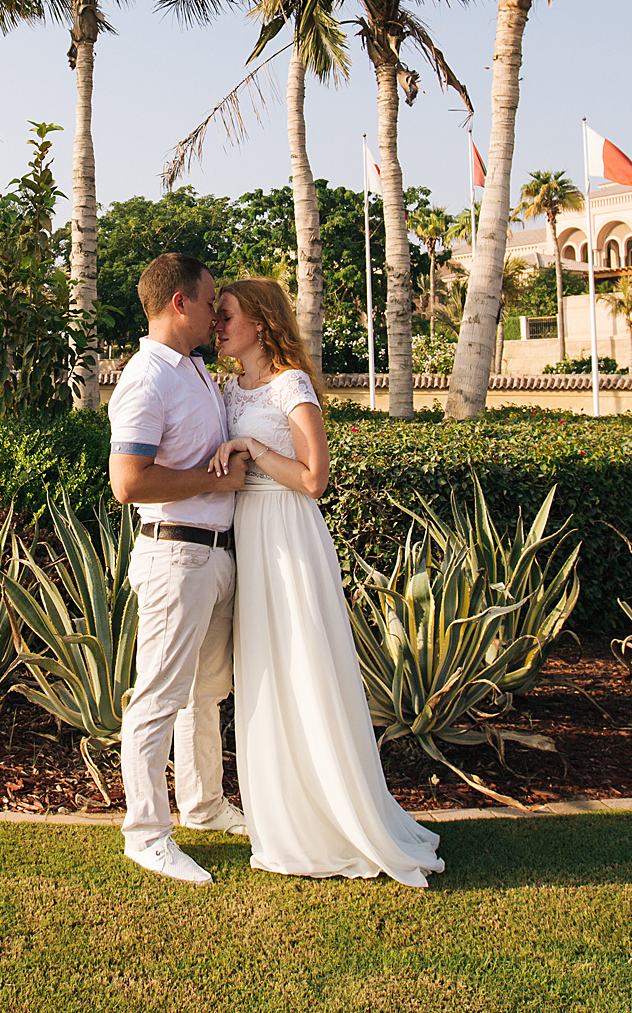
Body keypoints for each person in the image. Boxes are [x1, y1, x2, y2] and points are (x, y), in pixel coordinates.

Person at [207, 277, 444, 888]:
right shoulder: (227, 388)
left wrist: (254, 449)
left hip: (289, 534)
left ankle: (336, 818)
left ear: (260, 322)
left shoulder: (293, 385)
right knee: (263, 671)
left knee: (304, 663)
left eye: (227, 314)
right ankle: (283, 819)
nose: (218, 324)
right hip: (246, 537)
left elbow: (315, 479)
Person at [107, 253, 249, 885]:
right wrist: (215, 478)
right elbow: (128, 481)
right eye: (210, 298)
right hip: (174, 553)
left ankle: (204, 806)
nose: (217, 310)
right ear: (178, 303)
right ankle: (145, 832)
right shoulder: (146, 378)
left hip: (214, 554)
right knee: (158, 696)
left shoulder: (194, 369)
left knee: (205, 691)